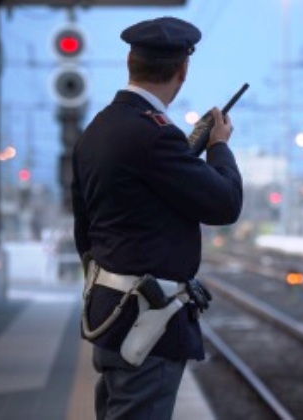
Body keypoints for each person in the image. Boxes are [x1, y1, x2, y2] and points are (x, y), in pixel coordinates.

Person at [71, 16, 243, 419]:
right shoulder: (155, 135)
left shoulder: (97, 129)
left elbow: (84, 230)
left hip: (110, 314)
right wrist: (218, 147)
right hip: (148, 321)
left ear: (130, 60)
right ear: (183, 70)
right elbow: (224, 203)